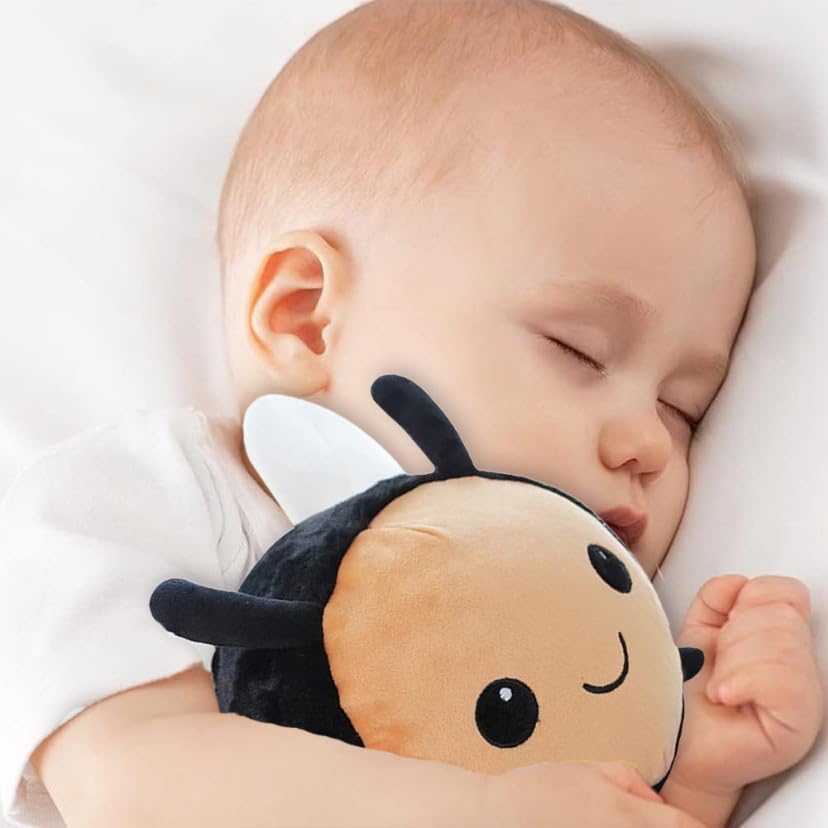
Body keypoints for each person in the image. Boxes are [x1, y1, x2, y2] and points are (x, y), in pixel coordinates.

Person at [0, 2, 822, 827]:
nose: (648, 442)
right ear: (306, 317)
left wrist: (696, 774)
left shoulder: (577, 630)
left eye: (683, 408)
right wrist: (486, 811)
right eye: (578, 349)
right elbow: (139, 785)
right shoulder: (143, 504)